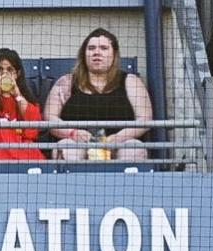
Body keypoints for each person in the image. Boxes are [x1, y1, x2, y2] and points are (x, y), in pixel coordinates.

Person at [44, 28, 152, 162]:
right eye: (91, 48)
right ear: (84, 54)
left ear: (114, 54)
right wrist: (72, 133)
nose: (97, 52)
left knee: (134, 148)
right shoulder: (66, 82)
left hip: (120, 144)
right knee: (66, 147)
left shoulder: (130, 81)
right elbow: (50, 118)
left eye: (104, 48)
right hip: (77, 144)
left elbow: (144, 119)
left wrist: (118, 138)